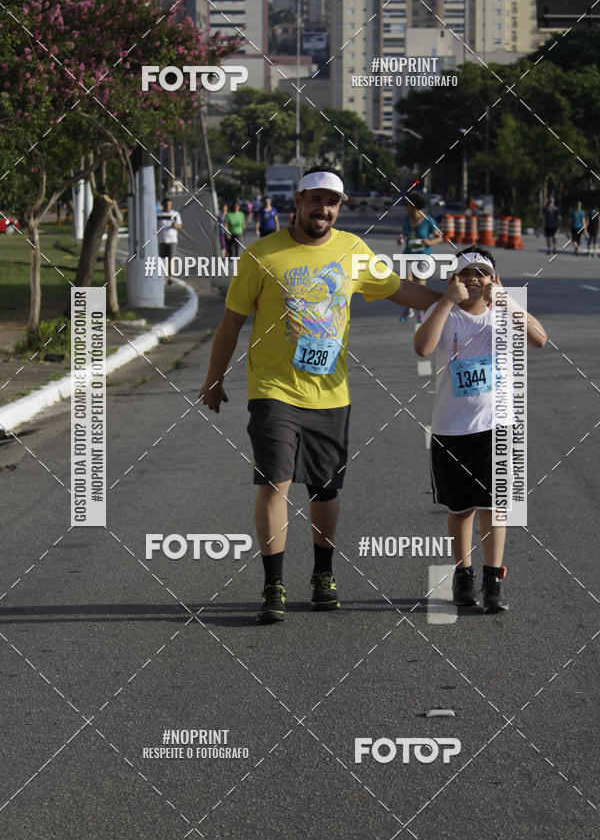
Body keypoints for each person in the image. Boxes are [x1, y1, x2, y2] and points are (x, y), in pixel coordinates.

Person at [199, 166, 442, 624]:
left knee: (325, 490)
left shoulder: (353, 250)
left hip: (331, 393)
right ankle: (273, 584)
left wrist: (449, 297)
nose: (323, 209)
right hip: (273, 390)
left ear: (339, 207)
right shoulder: (261, 254)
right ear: (298, 200)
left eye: (332, 203)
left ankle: (322, 575)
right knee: (274, 482)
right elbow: (231, 320)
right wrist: (215, 377)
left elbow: (398, 289)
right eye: (316, 200)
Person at [414, 247, 547, 612]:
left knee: (495, 507)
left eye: (481, 273)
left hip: (496, 426)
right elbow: (422, 348)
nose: (474, 279)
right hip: (452, 428)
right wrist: (444, 302)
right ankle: (464, 573)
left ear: (493, 279)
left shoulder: (503, 311)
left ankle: (493, 579)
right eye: (465, 274)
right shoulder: (445, 314)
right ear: (453, 280)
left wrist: (503, 299)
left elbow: (539, 338)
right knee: (460, 508)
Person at [396, 192, 443, 323]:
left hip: (424, 257)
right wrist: (401, 239)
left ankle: (421, 312)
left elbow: (440, 237)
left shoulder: (428, 220)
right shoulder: (407, 219)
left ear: (415, 206)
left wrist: (430, 242)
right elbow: (404, 234)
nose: (405, 207)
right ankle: (409, 309)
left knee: (420, 288)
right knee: (408, 284)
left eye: (407, 205)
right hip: (408, 255)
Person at [157, 197, 183, 285]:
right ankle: (162, 278)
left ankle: (171, 278)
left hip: (172, 240)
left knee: (171, 259)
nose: (168, 207)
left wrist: (174, 226)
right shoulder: (158, 215)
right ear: (163, 205)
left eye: (169, 205)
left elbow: (180, 226)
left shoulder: (175, 214)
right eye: (166, 205)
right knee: (162, 260)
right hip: (161, 240)